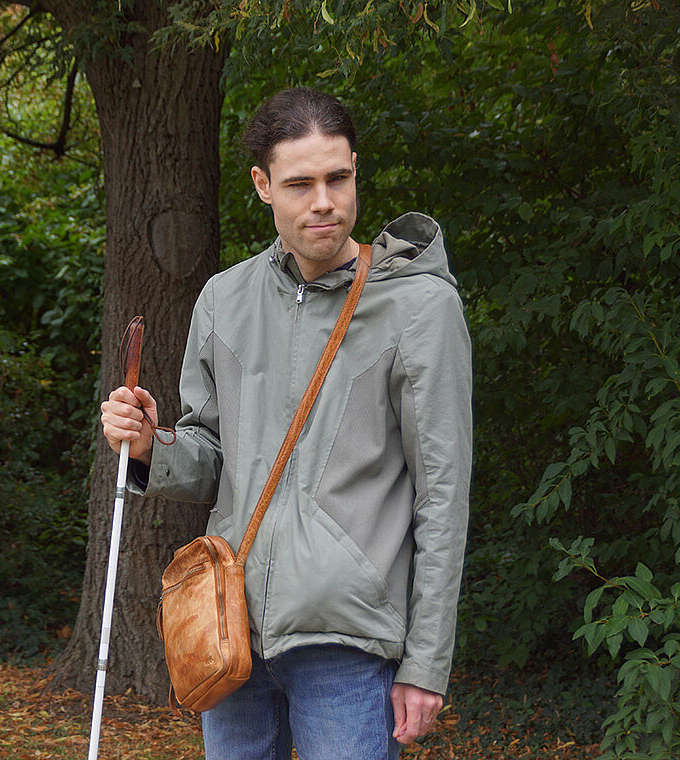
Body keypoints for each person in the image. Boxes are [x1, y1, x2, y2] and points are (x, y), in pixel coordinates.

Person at [99, 87, 472, 760]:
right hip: (230, 632)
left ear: (355, 170)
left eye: (338, 178)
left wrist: (425, 662)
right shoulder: (225, 298)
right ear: (263, 185)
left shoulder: (418, 307)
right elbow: (215, 457)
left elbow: (442, 495)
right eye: (300, 184)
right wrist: (152, 445)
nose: (324, 201)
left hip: (348, 641)